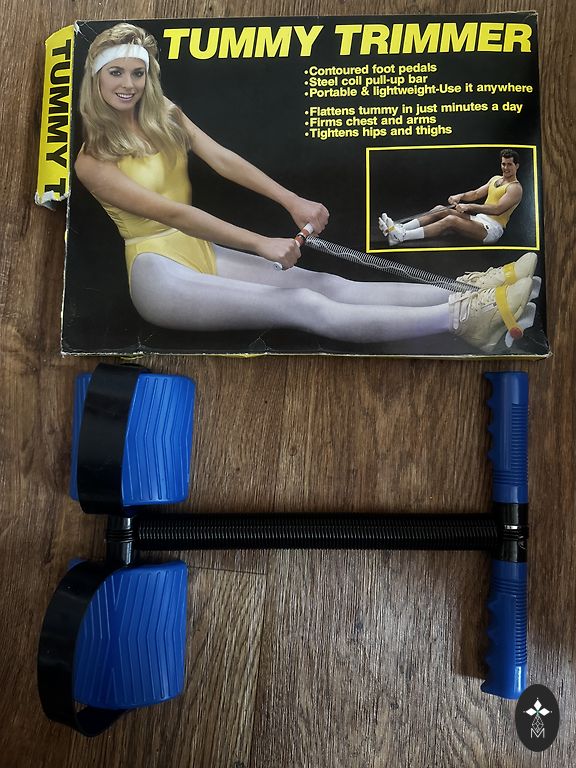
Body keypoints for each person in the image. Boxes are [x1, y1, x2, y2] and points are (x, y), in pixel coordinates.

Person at [75, 24, 535, 353]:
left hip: (198, 250)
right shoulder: (92, 162)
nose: (129, 85)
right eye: (116, 73)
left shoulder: (165, 114)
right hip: (158, 274)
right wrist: (261, 243)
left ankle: (464, 291)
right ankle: (463, 320)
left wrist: (291, 200)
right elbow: (172, 213)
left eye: (137, 73)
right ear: (95, 78)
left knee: (327, 283)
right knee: (301, 303)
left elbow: (222, 159)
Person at [379, 149, 523, 246]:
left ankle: (402, 236)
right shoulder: (495, 179)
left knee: (450, 220)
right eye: (503, 164)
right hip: (479, 219)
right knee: (440, 209)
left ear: (516, 166)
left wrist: (469, 206)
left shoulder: (515, 188)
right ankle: (399, 228)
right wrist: (460, 196)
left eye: (509, 164)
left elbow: (497, 210)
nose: (505, 168)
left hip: (492, 229)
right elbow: (475, 194)